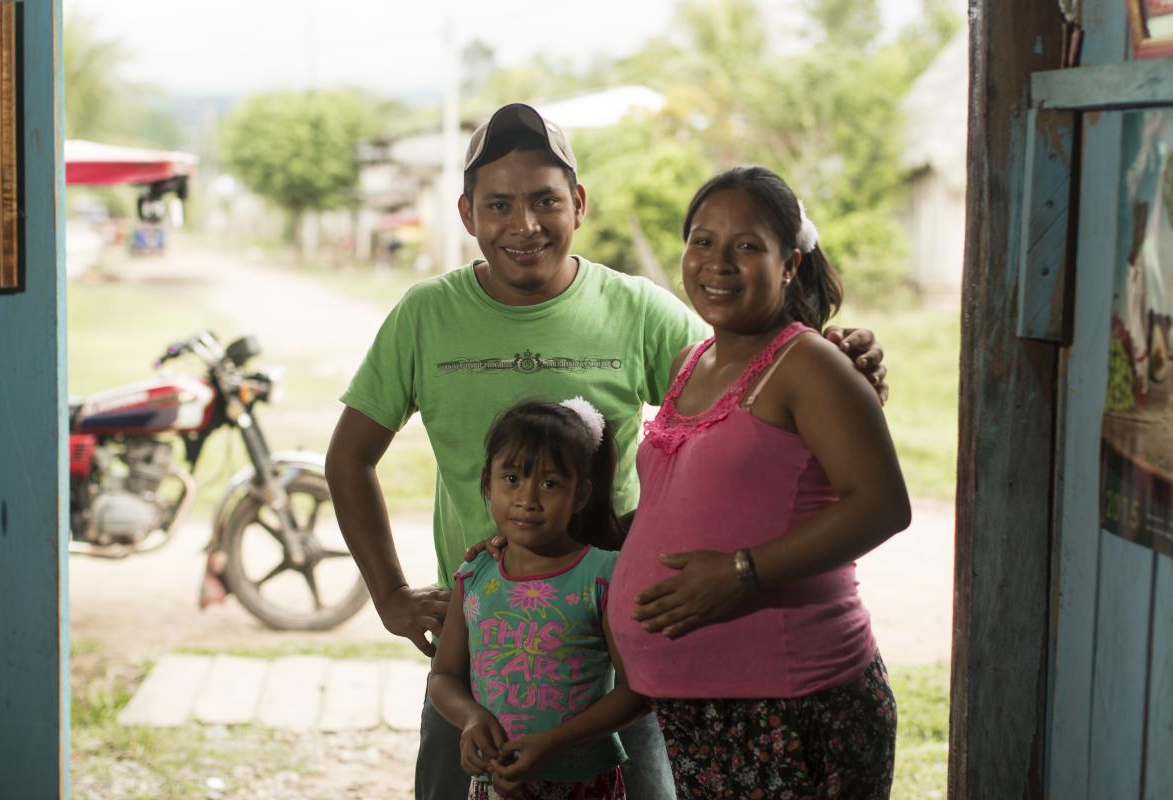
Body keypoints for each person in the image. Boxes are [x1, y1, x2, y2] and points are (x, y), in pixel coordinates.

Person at [325, 103, 887, 800]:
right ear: (467, 214)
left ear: (579, 204)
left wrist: (835, 358)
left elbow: (751, 383)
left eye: (544, 202)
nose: (523, 226)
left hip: (616, 664)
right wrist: (389, 595)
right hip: (480, 665)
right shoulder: (425, 314)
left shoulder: (637, 308)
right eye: (499, 205)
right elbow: (348, 458)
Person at [607, 166, 912, 799]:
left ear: (791, 263)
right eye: (702, 241)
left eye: (746, 245)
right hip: (707, 714)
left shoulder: (809, 364)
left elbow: (882, 506)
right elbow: (684, 506)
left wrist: (741, 570)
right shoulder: (694, 360)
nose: (717, 263)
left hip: (790, 706)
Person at [428, 398, 647, 799]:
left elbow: (639, 690)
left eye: (549, 483)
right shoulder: (473, 576)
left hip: (583, 785)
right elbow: (443, 676)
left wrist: (555, 741)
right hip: (496, 783)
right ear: (486, 483)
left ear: (580, 495)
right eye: (511, 478)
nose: (527, 498)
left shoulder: (603, 576)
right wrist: (471, 717)